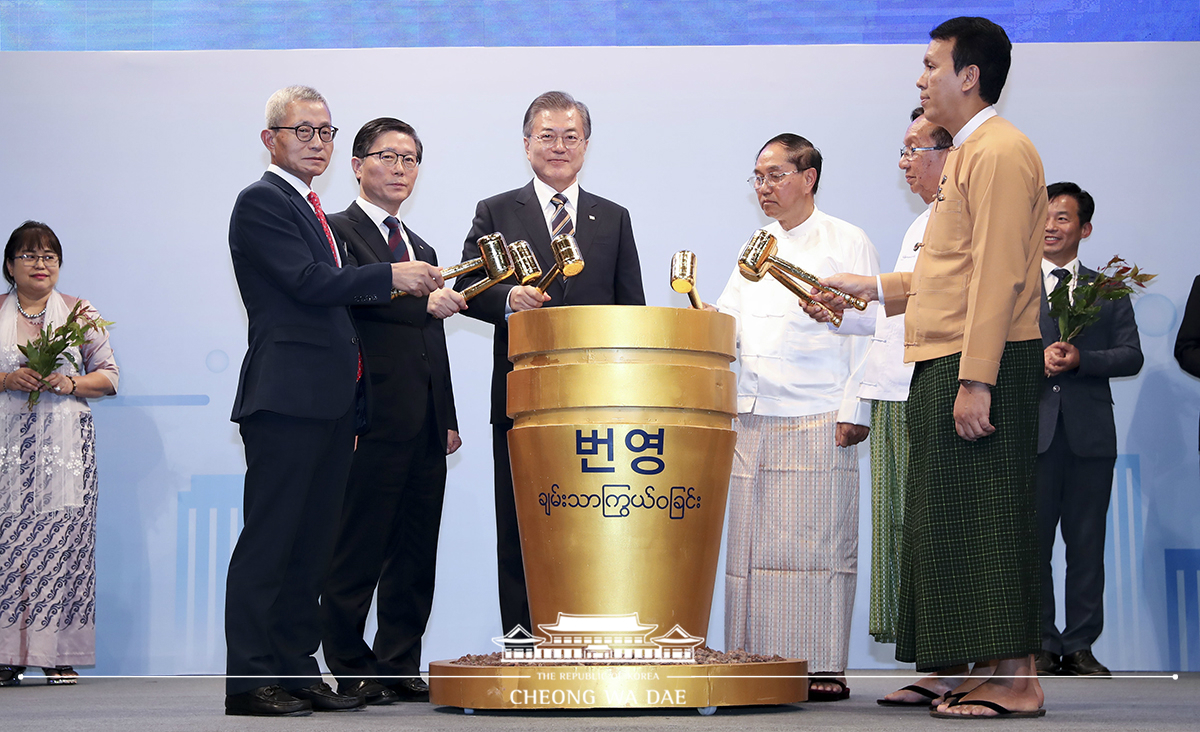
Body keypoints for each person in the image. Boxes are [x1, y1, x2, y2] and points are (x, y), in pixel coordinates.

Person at [816, 17, 1049, 718]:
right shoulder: (973, 153)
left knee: (989, 517)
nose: (920, 80)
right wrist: (879, 288)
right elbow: (951, 271)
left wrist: (977, 377)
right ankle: (983, 667)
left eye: (929, 65)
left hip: (984, 360)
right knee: (954, 520)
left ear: (968, 75)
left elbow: (1002, 274)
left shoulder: (1000, 150)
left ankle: (1017, 678)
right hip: (946, 356)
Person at [224, 86, 443, 717]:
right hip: (286, 397)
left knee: (313, 546)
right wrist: (390, 277)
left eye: (325, 131)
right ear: (271, 139)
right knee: (272, 542)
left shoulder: (310, 207)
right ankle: (249, 681)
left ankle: (296, 671)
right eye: (303, 131)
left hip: (329, 403)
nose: (316, 141)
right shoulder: (262, 201)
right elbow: (307, 282)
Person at [455, 90, 645, 637]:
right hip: (523, 399)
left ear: (586, 144)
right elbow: (469, 285)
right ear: (526, 144)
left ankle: (593, 636)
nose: (559, 147)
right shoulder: (495, 210)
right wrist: (506, 298)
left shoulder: (613, 217)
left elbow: (630, 309)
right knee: (520, 527)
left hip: (599, 405)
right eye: (547, 136)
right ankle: (522, 640)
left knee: (593, 525)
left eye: (570, 136)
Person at [713, 133, 879, 701]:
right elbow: (728, 322)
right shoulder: (755, 243)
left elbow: (871, 329)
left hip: (819, 412)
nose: (764, 187)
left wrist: (857, 408)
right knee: (751, 551)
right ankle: (754, 659)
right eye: (758, 177)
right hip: (754, 415)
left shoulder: (845, 240)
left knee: (819, 548)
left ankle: (821, 665)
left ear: (808, 178)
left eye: (776, 174)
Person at [321, 117, 464, 705]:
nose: (401, 168)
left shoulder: (422, 246)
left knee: (414, 548)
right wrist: (402, 288)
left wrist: (447, 414)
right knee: (359, 545)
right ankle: (349, 662)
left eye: (410, 159)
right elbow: (341, 311)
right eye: (388, 156)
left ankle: (398, 659)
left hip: (425, 421)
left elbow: (431, 338)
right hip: (370, 417)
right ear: (357, 166)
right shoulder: (334, 233)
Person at [815, 109, 951, 656]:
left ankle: (948, 658)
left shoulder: (961, 218)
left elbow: (939, 297)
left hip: (932, 384)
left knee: (929, 531)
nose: (903, 163)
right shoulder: (922, 223)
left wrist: (867, 286)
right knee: (900, 532)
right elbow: (899, 312)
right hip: (897, 390)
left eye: (913, 150)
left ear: (951, 155)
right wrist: (841, 312)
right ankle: (927, 659)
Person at [0, 221, 118, 688]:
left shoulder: (77, 312)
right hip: (7, 454)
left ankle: (57, 655)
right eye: (29, 255)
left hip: (65, 454)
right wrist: (8, 379)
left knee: (62, 547)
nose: (40, 263)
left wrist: (69, 383)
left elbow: (109, 377)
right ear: (10, 265)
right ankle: (7, 654)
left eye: (49, 255)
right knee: (8, 550)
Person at [1035, 182, 1142, 678]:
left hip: (1090, 438)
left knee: (1086, 546)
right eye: (1044, 216)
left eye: (1062, 218)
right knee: (1030, 547)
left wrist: (1082, 358)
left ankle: (1078, 646)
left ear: (1085, 228)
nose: (1052, 226)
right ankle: (1036, 642)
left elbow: (1131, 354)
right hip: (1029, 436)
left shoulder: (1108, 290)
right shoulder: (1011, 287)